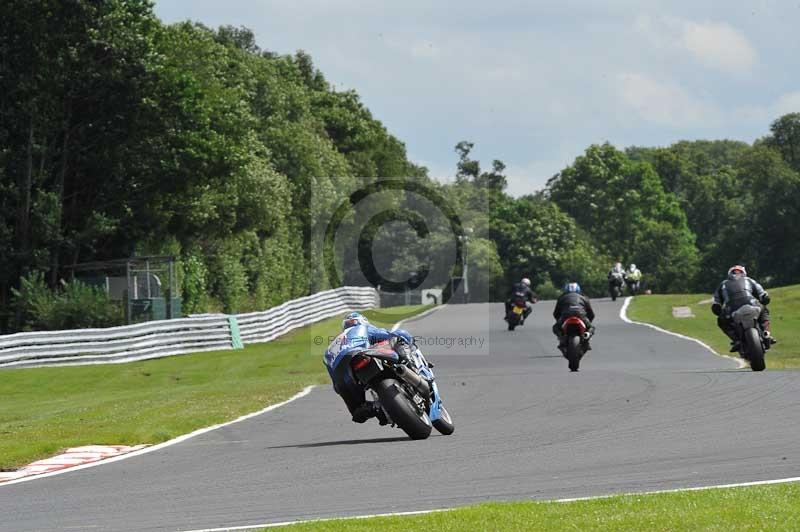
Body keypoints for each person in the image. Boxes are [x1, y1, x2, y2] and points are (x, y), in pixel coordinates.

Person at [323, 312, 394, 424]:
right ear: (362, 321)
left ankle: (374, 408)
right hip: (360, 356)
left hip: (343, 377)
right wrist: (402, 336)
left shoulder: (330, 348)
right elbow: (389, 335)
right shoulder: (362, 328)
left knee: (358, 413)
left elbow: (336, 386)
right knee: (398, 341)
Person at [711, 265, 776, 352]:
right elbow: (762, 293)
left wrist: (718, 309)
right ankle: (766, 333)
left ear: (729, 274)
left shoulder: (723, 284)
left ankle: (736, 339)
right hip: (752, 305)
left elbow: (716, 301)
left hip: (732, 309)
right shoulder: (749, 280)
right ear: (744, 273)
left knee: (721, 321)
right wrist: (764, 299)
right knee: (764, 310)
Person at [552, 282, 596, 350]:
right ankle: (587, 337)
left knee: (555, 327)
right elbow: (591, 314)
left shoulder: (561, 298)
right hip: (581, 315)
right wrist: (588, 324)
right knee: (591, 327)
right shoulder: (584, 298)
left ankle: (562, 338)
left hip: (566, 315)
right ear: (578, 289)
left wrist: (559, 322)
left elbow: (556, 313)